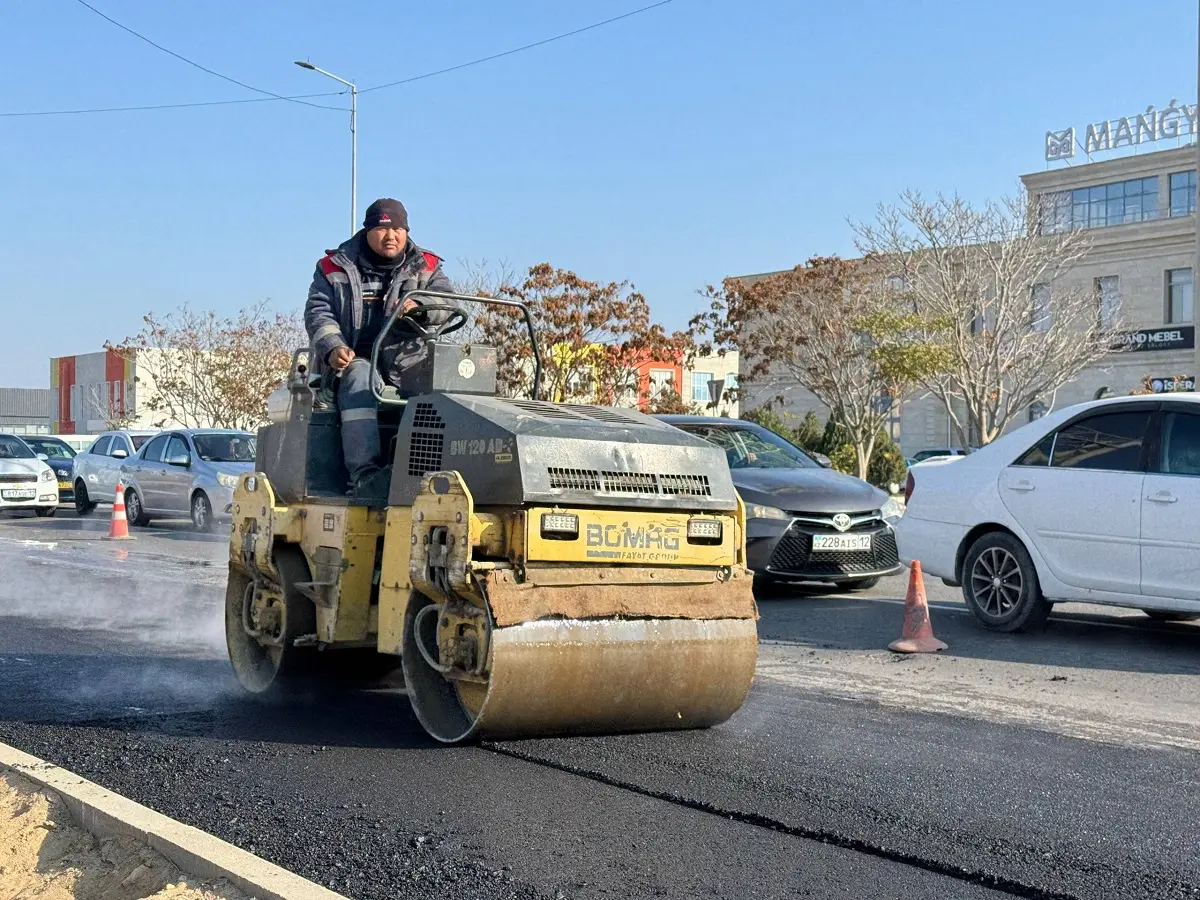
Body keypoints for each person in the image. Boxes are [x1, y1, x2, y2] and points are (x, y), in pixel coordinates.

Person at [304, 198, 455, 493]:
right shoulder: (332, 267)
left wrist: (421, 306)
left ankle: (426, 474)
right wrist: (333, 347)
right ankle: (366, 476)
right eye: (383, 229)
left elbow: (447, 302)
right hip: (356, 359)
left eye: (398, 229)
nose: (391, 236)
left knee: (445, 384)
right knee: (360, 378)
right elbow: (318, 313)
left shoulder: (427, 265)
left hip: (409, 360)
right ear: (367, 230)